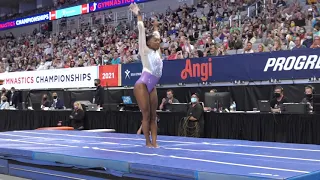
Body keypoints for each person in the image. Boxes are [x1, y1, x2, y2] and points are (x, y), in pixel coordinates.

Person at [130, 3, 163, 148]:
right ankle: (147, 142)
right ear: (149, 42)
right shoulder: (144, 50)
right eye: (155, 41)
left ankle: (155, 142)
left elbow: (157, 35)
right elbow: (142, 29)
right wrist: (138, 14)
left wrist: (156, 26)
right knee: (146, 115)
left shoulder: (157, 52)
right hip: (142, 84)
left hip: (152, 85)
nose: (158, 42)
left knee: (154, 116)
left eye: (158, 41)